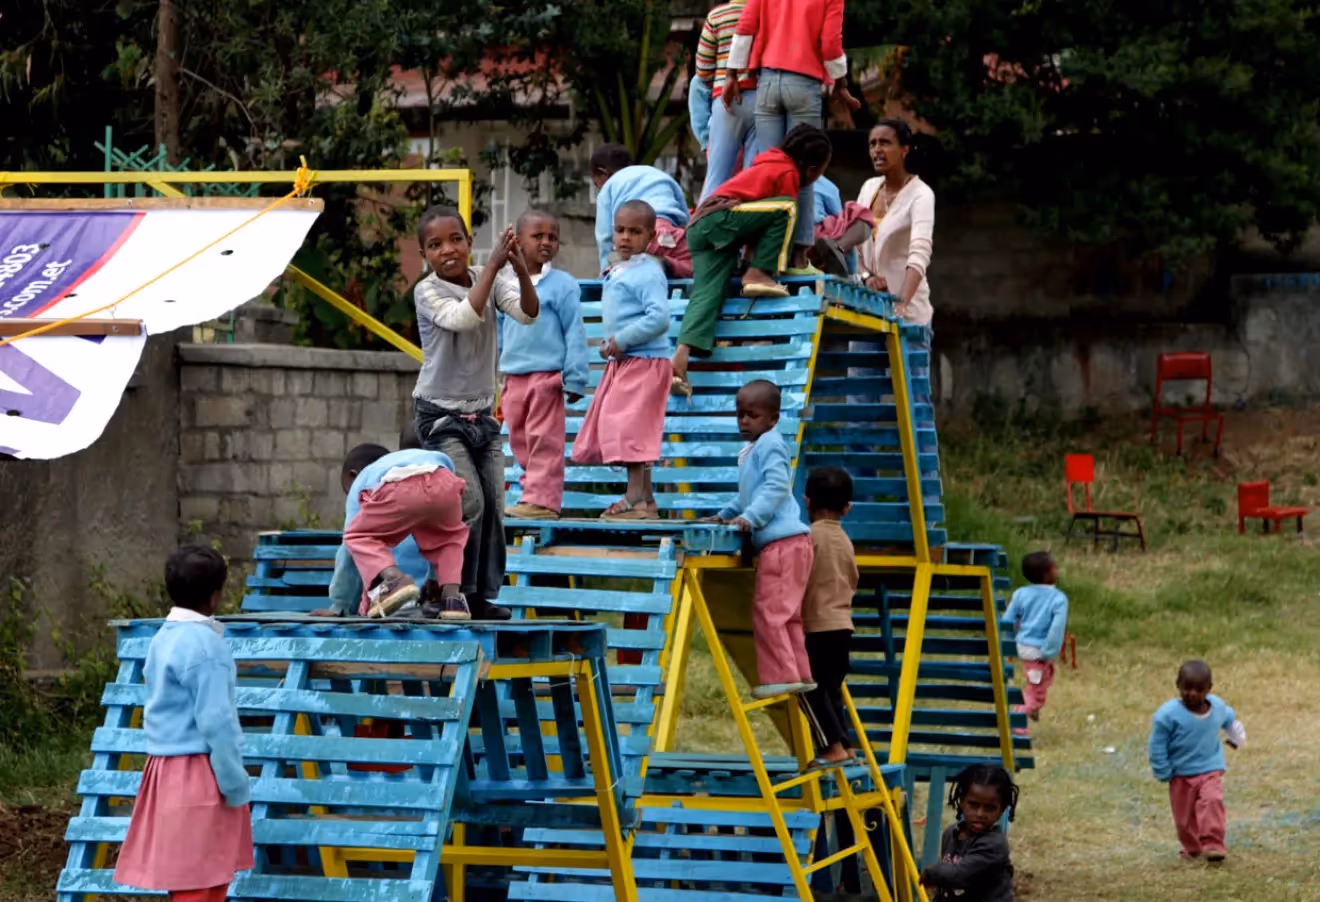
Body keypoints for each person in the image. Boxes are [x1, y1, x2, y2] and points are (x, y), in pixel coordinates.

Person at [412, 205, 537, 620]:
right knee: (470, 503)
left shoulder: (493, 274)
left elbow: (527, 312)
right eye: (435, 245)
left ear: (468, 242)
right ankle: (448, 590)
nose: (448, 250)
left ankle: (481, 595)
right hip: (440, 416)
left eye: (455, 240)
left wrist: (519, 269)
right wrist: (495, 267)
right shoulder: (427, 291)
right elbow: (465, 317)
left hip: (482, 416)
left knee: (496, 504)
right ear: (425, 255)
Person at [113, 546, 252, 902]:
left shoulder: (164, 638)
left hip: (165, 772)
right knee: (204, 882)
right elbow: (217, 722)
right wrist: (236, 784)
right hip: (199, 775)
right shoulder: (206, 647)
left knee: (189, 880)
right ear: (216, 596)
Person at [672, 124, 833, 394]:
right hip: (719, 219)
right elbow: (776, 221)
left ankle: (681, 357)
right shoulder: (787, 172)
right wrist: (764, 268)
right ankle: (759, 274)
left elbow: (757, 225)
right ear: (813, 169)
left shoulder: (768, 164)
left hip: (701, 227)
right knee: (787, 209)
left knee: (708, 292)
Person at [724, 0, 858, 271]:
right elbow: (831, 44)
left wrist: (731, 74)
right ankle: (798, 255)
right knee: (804, 175)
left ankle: (757, 256)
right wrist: (841, 83)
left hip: (767, 82)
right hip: (804, 85)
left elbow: (746, 26)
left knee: (767, 169)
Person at [709, 380, 814, 699]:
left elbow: (776, 487)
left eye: (752, 415)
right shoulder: (754, 449)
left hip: (780, 546)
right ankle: (800, 672)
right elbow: (746, 498)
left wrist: (751, 519)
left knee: (769, 611)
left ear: (772, 418)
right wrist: (723, 515)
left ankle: (779, 676)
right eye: (739, 415)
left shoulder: (770, 444)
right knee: (788, 614)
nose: (743, 421)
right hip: (793, 545)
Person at [572, 200, 672, 520]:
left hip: (644, 361)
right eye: (620, 230)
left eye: (635, 231)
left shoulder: (648, 272)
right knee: (630, 427)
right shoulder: (619, 268)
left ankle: (634, 500)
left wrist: (621, 340)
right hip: (626, 361)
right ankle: (648, 500)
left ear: (651, 236)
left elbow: (659, 319)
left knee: (629, 428)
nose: (625, 237)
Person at [316, 442, 477, 620]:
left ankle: (394, 579)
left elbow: (348, 551)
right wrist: (434, 581)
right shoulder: (410, 459)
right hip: (444, 479)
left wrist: (340, 605)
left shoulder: (362, 480)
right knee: (448, 540)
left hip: (402, 486)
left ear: (351, 476)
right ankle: (452, 599)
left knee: (357, 536)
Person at [500, 209, 589, 521]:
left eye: (553, 237)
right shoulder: (505, 283)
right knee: (519, 438)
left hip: (546, 376)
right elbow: (500, 331)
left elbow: (574, 332)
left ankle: (543, 500)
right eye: (537, 236)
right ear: (519, 242)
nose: (546, 242)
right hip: (513, 377)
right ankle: (531, 491)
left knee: (544, 438)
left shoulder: (562, 285)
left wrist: (575, 377)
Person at [1148, 660, 1247, 862]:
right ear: (1178, 685)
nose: (1193, 693)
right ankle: (1193, 848)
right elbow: (1157, 744)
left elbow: (1229, 720)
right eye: (1187, 688)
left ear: (1209, 689)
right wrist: (1162, 769)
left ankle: (1213, 845)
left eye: (1199, 689)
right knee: (1184, 821)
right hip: (1181, 774)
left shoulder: (1217, 707)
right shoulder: (1167, 715)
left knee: (1212, 801)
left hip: (1210, 768)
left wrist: (1236, 738)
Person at [799, 466, 859, 769]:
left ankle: (831, 746)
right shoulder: (845, 540)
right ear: (847, 508)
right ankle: (846, 745)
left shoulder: (808, 538)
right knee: (830, 689)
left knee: (806, 687)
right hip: (842, 625)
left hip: (818, 626)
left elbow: (799, 577)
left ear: (806, 501)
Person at [857, 118, 936, 332]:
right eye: (872, 144)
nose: (877, 150)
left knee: (907, 367)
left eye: (885, 143)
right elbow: (853, 245)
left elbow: (919, 254)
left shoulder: (921, 194)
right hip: (867, 311)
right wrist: (867, 277)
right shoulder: (868, 188)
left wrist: (901, 305)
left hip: (909, 315)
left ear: (904, 150)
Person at [920, 764, 1018, 902]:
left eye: (989, 808)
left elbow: (960, 874)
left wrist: (932, 873)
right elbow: (946, 887)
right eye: (973, 805)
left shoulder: (994, 844)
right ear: (961, 802)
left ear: (1001, 810)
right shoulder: (950, 834)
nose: (980, 813)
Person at [591, 144, 692, 278]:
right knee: (697, 264)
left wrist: (605, 274)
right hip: (669, 235)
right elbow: (683, 211)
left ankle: (620, 271)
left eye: (595, 183)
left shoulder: (609, 187)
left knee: (617, 262)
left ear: (602, 173)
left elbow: (604, 237)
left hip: (637, 237)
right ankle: (667, 264)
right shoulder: (658, 174)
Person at [696, 0, 758, 201]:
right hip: (761, 100)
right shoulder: (765, 14)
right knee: (752, 177)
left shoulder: (716, 16)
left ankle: (704, 226)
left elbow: (703, 69)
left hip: (726, 101)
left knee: (717, 176)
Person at [1002, 551, 1068, 731]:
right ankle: (1017, 723)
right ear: (1048, 573)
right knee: (1037, 694)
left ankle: (1027, 709)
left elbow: (1008, 620)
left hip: (1022, 647)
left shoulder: (1020, 594)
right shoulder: (1058, 599)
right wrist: (1049, 652)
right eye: (1055, 567)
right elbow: (1056, 629)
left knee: (1041, 680)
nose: (1058, 570)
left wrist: (1008, 643)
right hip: (1039, 652)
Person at [809, 175, 875, 278]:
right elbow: (837, 211)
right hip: (818, 234)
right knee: (860, 214)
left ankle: (835, 252)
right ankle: (839, 249)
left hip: (793, 240)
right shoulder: (824, 184)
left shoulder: (781, 173)